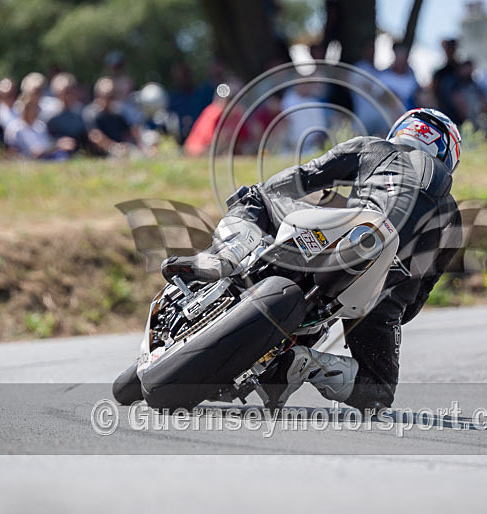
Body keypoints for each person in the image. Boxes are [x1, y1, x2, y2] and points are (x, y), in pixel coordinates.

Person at [161, 108, 462, 411]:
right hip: (379, 297)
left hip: (340, 236)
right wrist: (383, 313)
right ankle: (308, 364)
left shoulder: (374, 147)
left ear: (403, 129)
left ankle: (227, 255)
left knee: (256, 195)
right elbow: (418, 297)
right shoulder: (453, 218)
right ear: (449, 154)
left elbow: (300, 179)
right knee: (378, 393)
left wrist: (276, 201)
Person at [83, 76, 140, 156]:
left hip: (120, 150)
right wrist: (113, 147)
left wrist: (137, 144)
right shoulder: (90, 113)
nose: (110, 100)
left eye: (113, 96)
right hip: (101, 155)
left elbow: (128, 132)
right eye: (107, 96)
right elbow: (95, 136)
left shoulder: (117, 112)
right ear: (97, 96)